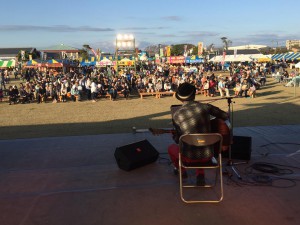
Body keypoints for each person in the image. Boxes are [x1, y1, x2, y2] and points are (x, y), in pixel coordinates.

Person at [168, 82, 229, 186]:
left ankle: (182, 172)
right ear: (194, 95)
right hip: (209, 156)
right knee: (201, 141)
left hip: (188, 157)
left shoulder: (177, 115)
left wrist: (174, 135)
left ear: (180, 98)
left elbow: (178, 140)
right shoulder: (206, 107)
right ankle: (200, 175)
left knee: (172, 148)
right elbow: (225, 116)